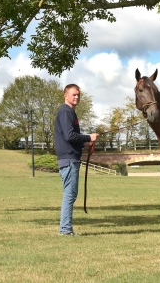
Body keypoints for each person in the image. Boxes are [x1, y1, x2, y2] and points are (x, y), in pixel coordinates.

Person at [54, 84, 99, 236]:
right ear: (65, 95)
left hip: (70, 157)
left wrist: (85, 144)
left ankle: (65, 229)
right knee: (70, 194)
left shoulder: (69, 112)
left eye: (78, 95)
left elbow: (71, 138)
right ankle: (65, 230)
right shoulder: (66, 111)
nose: (77, 97)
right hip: (68, 159)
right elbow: (69, 136)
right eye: (73, 94)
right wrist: (89, 137)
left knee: (70, 193)